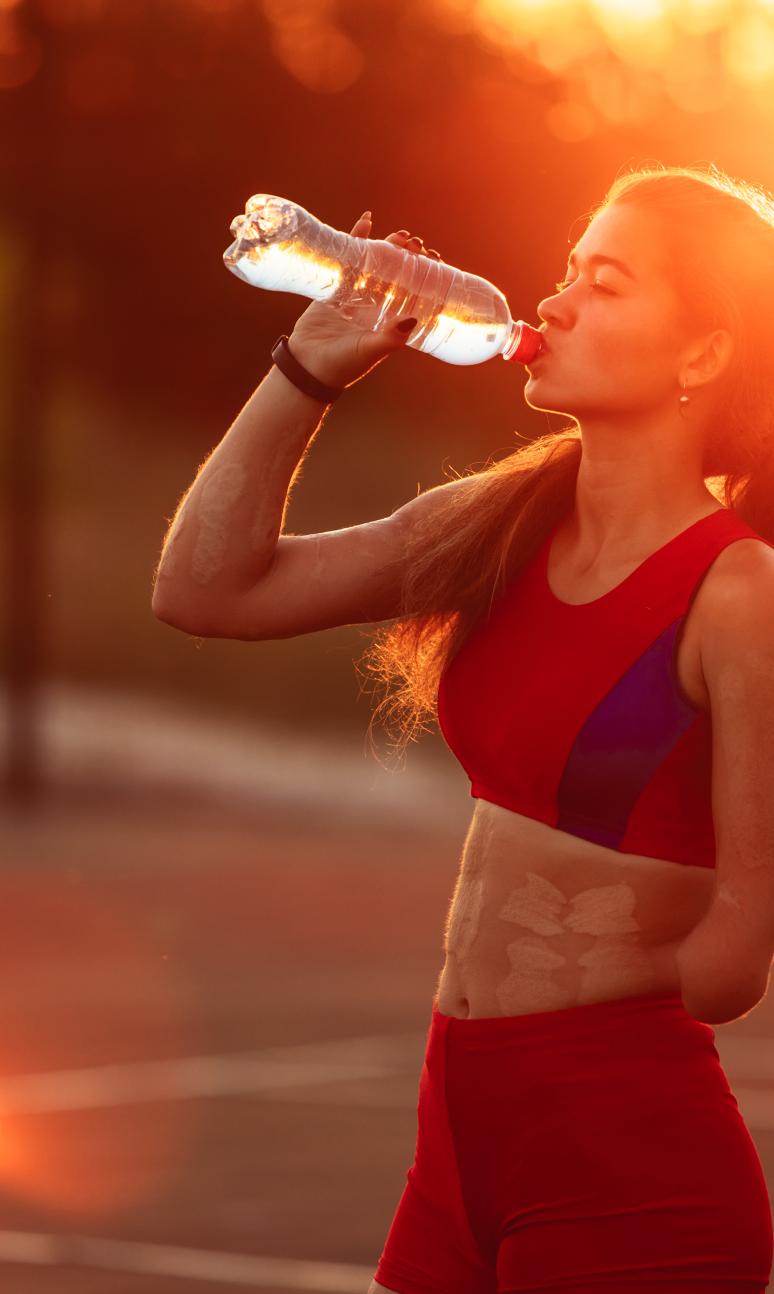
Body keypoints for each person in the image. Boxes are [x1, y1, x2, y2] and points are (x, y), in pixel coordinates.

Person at [152, 163, 774, 1291]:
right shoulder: (496, 521)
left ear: (702, 355)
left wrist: (587, 978)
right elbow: (205, 590)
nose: (556, 303)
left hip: (629, 1164)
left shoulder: (740, 593)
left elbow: (736, 955)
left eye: (607, 284)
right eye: (568, 271)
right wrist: (306, 369)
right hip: (457, 1134)